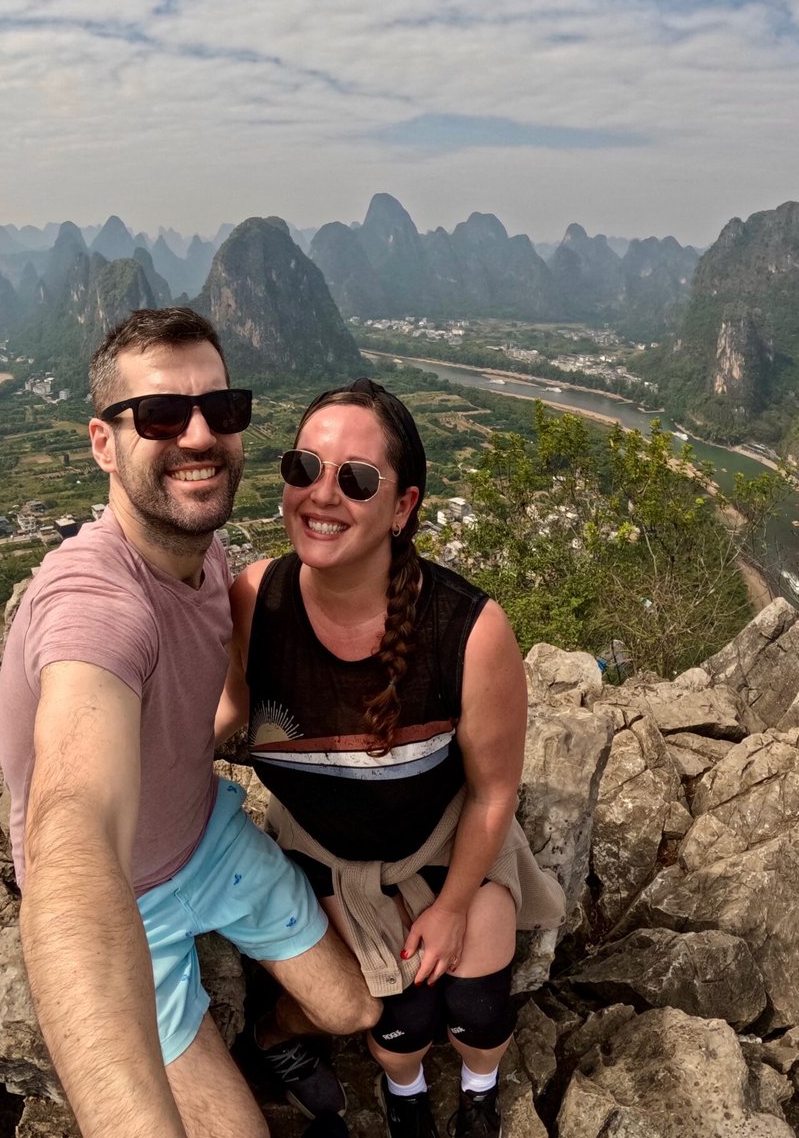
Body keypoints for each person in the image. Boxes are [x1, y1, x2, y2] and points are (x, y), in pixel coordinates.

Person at [0, 308, 380, 1138]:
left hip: (205, 833)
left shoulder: (207, 555)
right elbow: (74, 826)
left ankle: (268, 1036)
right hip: (126, 897)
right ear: (105, 442)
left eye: (223, 410)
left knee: (354, 1009)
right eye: (163, 415)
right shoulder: (93, 603)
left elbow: (218, 704)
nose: (200, 435)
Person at [219, 379, 565, 1138]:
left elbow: (491, 792)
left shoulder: (467, 631)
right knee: (403, 1018)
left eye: (356, 479)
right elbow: (219, 714)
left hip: (446, 838)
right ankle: (405, 1101)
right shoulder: (258, 602)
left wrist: (449, 909)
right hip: (326, 849)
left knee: (475, 1007)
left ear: (402, 507)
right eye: (304, 467)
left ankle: (480, 1095)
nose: (322, 495)